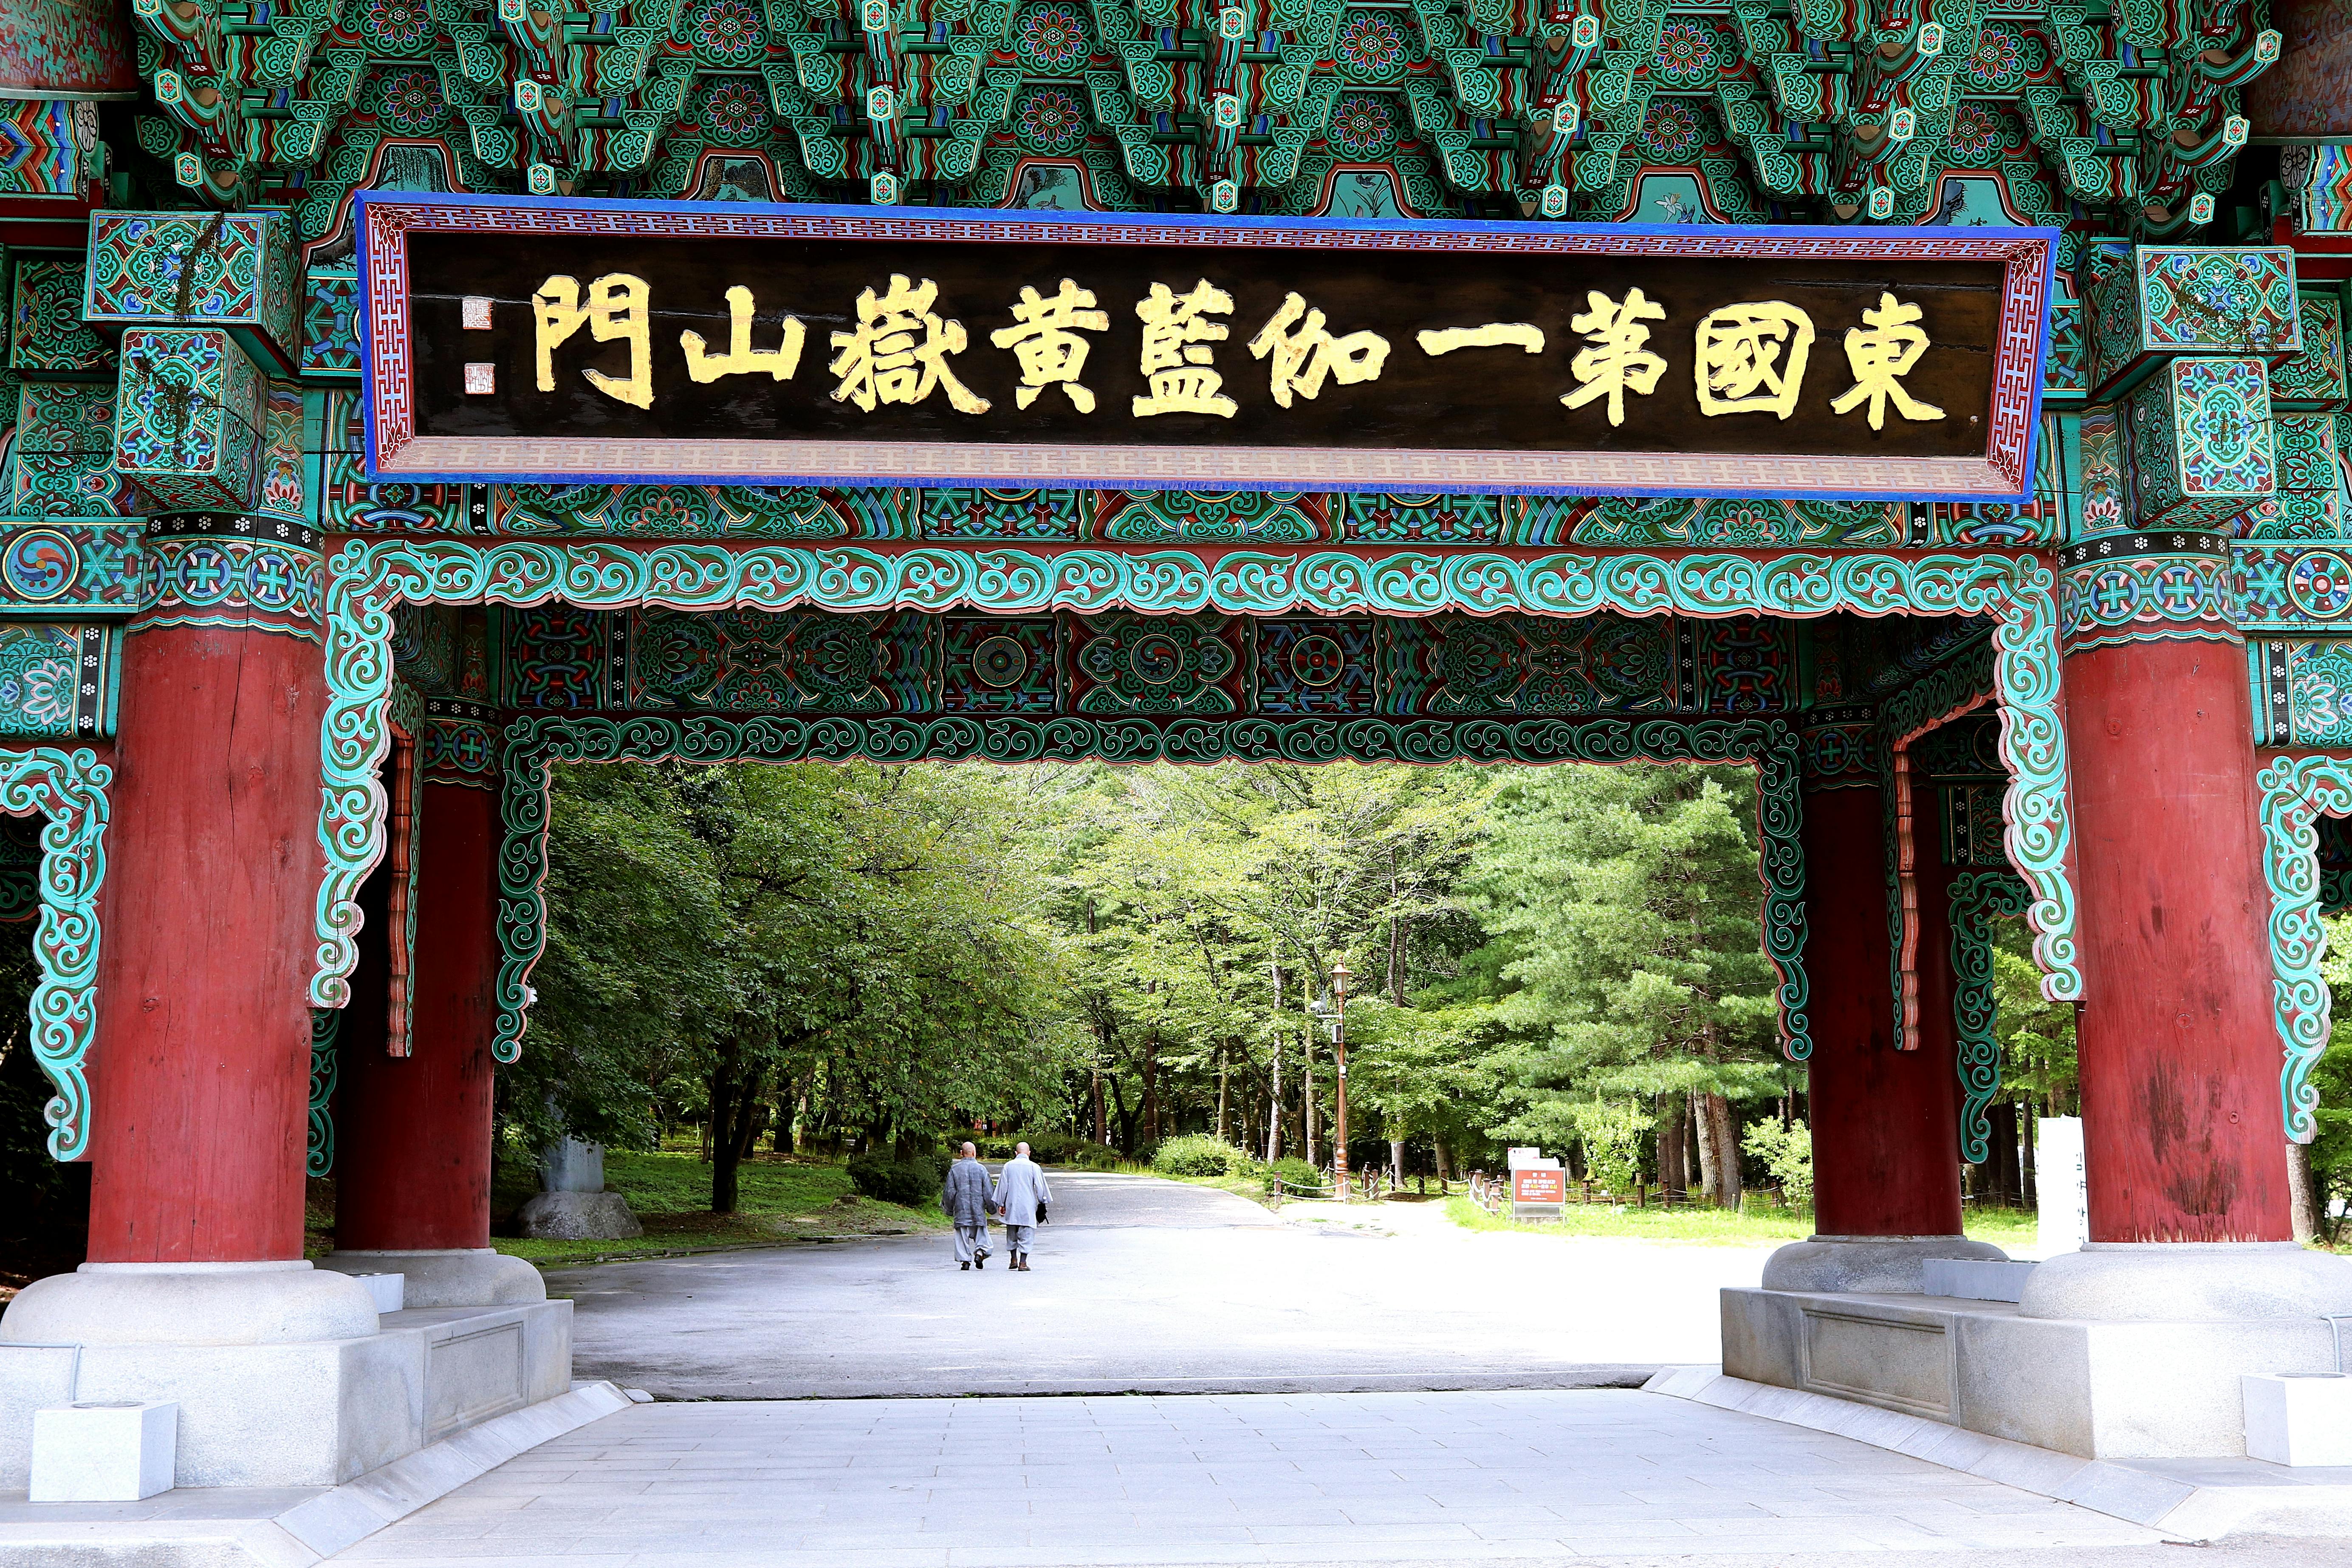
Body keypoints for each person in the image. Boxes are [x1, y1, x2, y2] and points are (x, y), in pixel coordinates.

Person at [990, 1141, 1053, 1272]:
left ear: (1016, 1153)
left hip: (1011, 1204)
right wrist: (1043, 1201)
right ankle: (1023, 1263)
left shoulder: (1008, 1166)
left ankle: (1013, 1259)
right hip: (1028, 1205)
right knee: (1027, 1232)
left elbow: (1003, 1187)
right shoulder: (1034, 1167)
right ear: (1029, 1153)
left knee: (1012, 1230)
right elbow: (1041, 1187)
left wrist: (1001, 1204)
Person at [941, 1142, 995, 1270]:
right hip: (978, 1209)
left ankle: (965, 1261)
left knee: (961, 1236)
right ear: (975, 1153)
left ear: (961, 1154)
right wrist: (992, 1208)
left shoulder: (955, 1170)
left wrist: (948, 1209)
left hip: (961, 1208)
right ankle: (980, 1253)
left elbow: (950, 1191)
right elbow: (988, 1191)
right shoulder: (981, 1169)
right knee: (982, 1234)